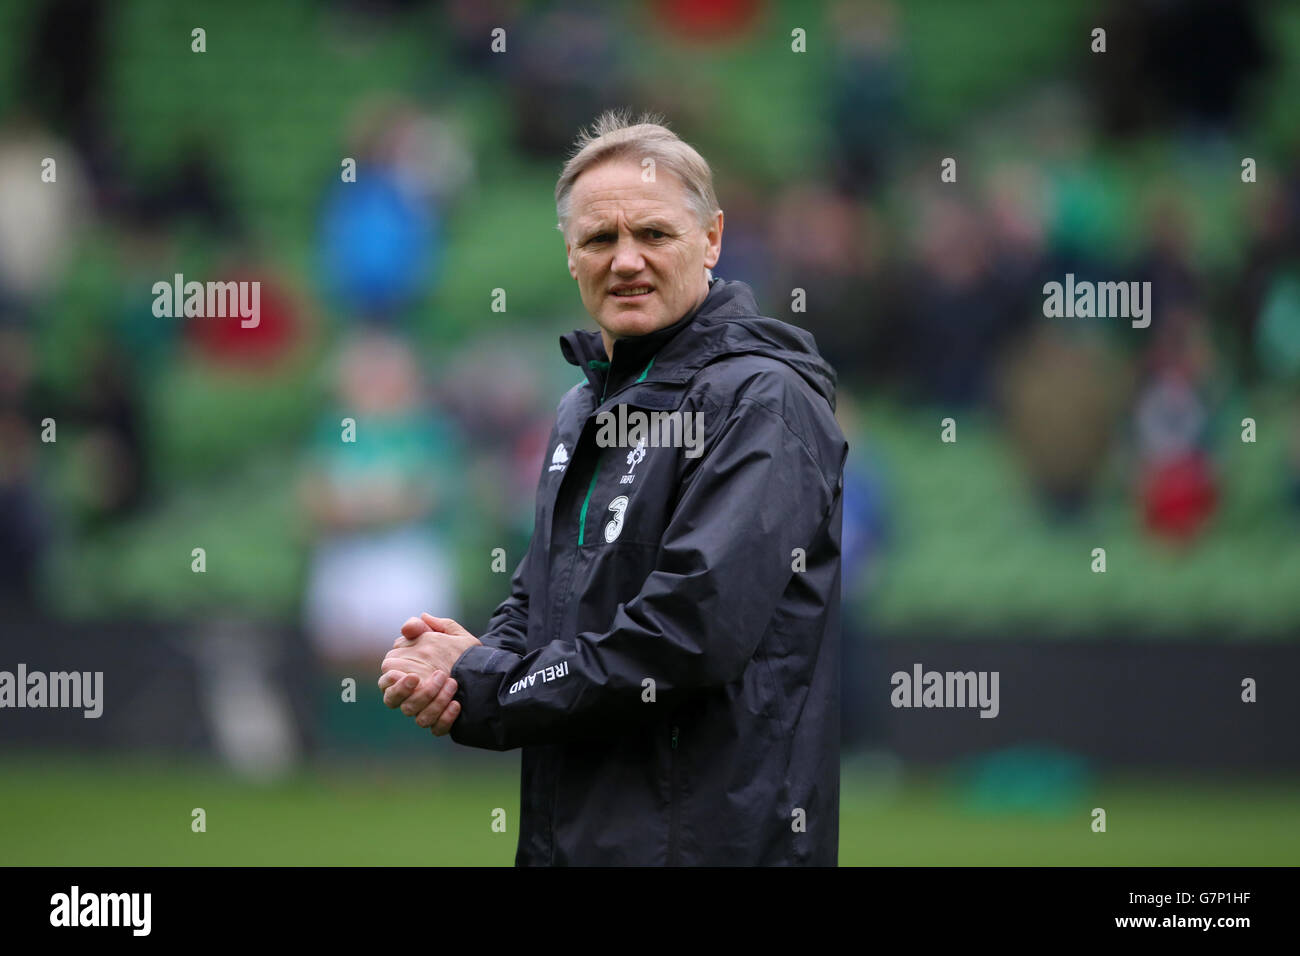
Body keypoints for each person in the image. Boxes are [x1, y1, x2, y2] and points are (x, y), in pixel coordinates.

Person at [378, 111, 848, 865]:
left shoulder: (764, 402)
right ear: (570, 254)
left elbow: (687, 634)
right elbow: (541, 600)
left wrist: (489, 683)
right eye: (601, 239)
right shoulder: (582, 408)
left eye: (654, 235)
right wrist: (466, 669)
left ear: (713, 240)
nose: (626, 260)